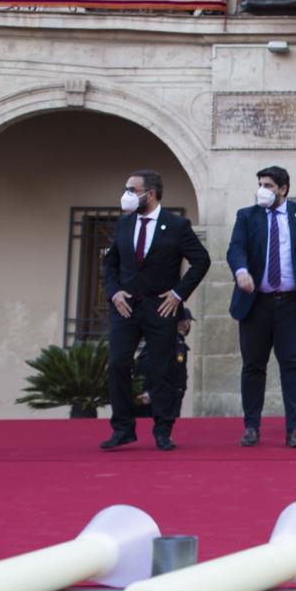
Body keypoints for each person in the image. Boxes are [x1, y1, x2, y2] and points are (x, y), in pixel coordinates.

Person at [104, 169, 212, 452]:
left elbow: (201, 260)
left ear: (149, 194)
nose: (126, 194)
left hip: (161, 308)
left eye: (131, 189)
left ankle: (163, 430)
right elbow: (109, 264)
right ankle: (123, 429)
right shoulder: (124, 224)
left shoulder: (176, 225)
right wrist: (114, 292)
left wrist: (178, 294)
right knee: (117, 363)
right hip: (126, 308)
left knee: (162, 369)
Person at [227, 165, 296, 449]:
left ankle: (295, 429)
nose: (263, 190)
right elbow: (235, 249)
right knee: (253, 366)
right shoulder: (247, 216)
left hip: (293, 305)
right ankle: (251, 427)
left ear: (283, 189)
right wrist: (240, 271)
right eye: (260, 184)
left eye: (269, 185)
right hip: (255, 303)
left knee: (293, 364)